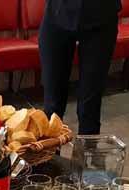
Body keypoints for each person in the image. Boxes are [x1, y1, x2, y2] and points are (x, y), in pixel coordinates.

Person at [38, 0, 121, 135]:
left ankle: (87, 155)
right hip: (57, 14)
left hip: (101, 18)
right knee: (52, 106)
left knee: (89, 107)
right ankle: (50, 155)